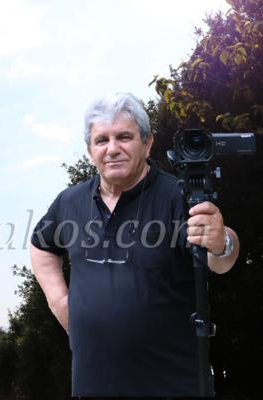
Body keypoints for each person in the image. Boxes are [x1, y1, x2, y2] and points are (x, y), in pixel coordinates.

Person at [30, 92, 240, 397]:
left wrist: (223, 243)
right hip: (92, 385)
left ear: (147, 143)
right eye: (101, 140)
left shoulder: (178, 196)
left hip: (172, 386)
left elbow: (221, 260)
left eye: (124, 137)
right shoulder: (69, 201)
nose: (112, 148)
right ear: (90, 151)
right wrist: (61, 302)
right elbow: (41, 246)